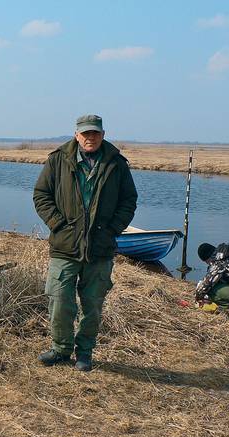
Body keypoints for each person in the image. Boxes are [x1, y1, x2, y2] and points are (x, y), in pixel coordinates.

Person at [33, 114, 138, 371]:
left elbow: (128, 201)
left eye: (95, 133)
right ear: (76, 135)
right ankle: (60, 349)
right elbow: (41, 195)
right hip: (65, 247)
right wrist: (58, 225)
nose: (90, 138)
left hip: (100, 249)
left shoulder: (116, 164)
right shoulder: (58, 160)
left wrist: (112, 229)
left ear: (103, 134)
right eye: (85, 133)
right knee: (59, 301)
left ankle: (85, 353)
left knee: (92, 305)